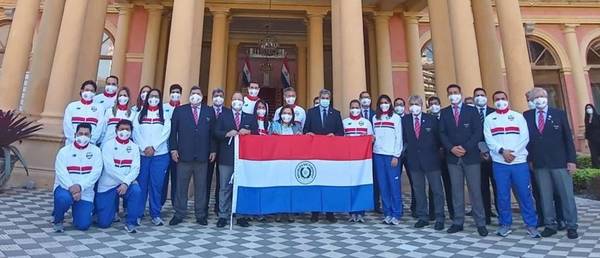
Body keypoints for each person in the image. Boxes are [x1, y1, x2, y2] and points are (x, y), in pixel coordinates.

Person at [484, 91, 540, 238]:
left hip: (519, 162)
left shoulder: (518, 117)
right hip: (499, 163)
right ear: (493, 101)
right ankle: (505, 224)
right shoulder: (489, 119)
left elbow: (525, 137)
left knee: (524, 194)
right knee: (502, 196)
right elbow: (489, 139)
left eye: (503, 99)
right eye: (497, 99)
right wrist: (502, 151)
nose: (500, 101)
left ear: (507, 100)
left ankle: (531, 225)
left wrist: (513, 154)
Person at [524, 87, 579, 239]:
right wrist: (530, 160)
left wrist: (571, 160)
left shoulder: (559, 114)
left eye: (543, 96)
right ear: (532, 100)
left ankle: (571, 225)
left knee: (566, 195)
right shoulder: (527, 115)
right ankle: (550, 224)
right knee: (545, 195)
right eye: (537, 97)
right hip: (540, 163)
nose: (540, 99)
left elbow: (568, 139)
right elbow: (527, 140)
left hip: (560, 162)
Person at [439, 84, 488, 236]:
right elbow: (442, 133)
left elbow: (477, 132)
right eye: (450, 93)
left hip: (471, 156)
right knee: (456, 190)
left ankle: (480, 222)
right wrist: (451, 148)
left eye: (455, 92)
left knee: (475, 190)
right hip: (453, 157)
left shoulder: (472, 111)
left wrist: (466, 147)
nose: (453, 95)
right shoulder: (444, 112)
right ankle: (458, 221)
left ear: (460, 93)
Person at [168, 86, 217, 226]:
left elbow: (212, 134)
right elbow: (173, 132)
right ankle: (179, 213)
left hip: (202, 156)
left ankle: (200, 214)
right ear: (189, 96)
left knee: (201, 187)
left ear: (202, 96)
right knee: (181, 186)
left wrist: (213, 150)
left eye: (198, 93)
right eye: (193, 93)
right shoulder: (180, 110)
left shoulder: (209, 111)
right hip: (184, 155)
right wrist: (173, 149)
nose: (195, 96)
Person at [214, 92, 258, 228]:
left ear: (243, 102)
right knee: (225, 188)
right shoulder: (223, 115)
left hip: (244, 159)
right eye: (234, 99)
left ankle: (241, 215)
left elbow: (256, 135)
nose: (237, 101)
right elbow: (216, 132)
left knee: (241, 187)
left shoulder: (250, 118)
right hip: (226, 158)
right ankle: (223, 215)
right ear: (231, 101)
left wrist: (249, 133)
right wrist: (227, 134)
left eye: (239, 99)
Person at [402, 95, 445, 230]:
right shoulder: (405, 120)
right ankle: (423, 217)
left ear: (422, 105)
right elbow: (403, 139)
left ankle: (439, 217)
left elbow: (439, 139)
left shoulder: (431, 119)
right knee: (419, 190)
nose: (414, 106)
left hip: (431, 160)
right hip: (414, 161)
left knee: (437, 190)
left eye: (417, 103)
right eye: (412, 104)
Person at [52, 123, 102, 232]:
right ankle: (58, 219)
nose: (83, 136)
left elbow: (96, 173)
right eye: (80, 133)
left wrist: (80, 187)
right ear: (75, 134)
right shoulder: (64, 151)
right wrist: (72, 188)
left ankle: (78, 213)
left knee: (83, 225)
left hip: (85, 191)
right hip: (65, 188)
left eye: (86, 134)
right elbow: (61, 172)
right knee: (63, 199)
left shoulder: (96, 151)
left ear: (90, 136)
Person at [303, 89, 344, 223]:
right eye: (323, 97)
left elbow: (341, 133)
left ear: (330, 99)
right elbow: (305, 131)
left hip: (330, 156)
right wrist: (309, 135)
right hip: (314, 154)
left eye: (327, 98)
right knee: (315, 182)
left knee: (329, 183)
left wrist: (334, 136)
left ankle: (330, 212)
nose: (325, 100)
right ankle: (315, 212)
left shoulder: (336, 114)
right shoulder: (311, 112)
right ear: (319, 99)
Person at [132, 88, 171, 226]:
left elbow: (165, 133)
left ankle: (155, 213)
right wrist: (144, 147)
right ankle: (138, 213)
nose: (153, 98)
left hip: (159, 155)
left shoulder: (164, 115)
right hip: (142, 155)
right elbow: (135, 132)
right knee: (141, 185)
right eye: (151, 96)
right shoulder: (139, 115)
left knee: (156, 185)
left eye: (156, 96)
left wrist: (154, 147)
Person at [95, 120, 142, 233]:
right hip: (108, 184)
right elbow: (109, 168)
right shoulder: (108, 145)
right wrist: (125, 181)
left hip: (126, 184)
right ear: (116, 130)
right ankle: (106, 211)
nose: (124, 132)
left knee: (136, 190)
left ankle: (131, 222)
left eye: (128, 129)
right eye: (121, 129)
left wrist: (126, 183)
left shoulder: (134, 147)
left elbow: (135, 168)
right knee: (104, 223)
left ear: (131, 131)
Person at [371, 94, 403, 225]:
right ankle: (387, 213)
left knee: (394, 186)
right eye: (382, 102)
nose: (384, 104)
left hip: (391, 156)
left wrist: (396, 155)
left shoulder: (395, 118)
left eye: (386, 102)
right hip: (378, 154)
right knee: (383, 186)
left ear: (390, 104)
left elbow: (399, 137)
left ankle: (396, 213)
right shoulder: (375, 118)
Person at [343, 99, 373, 223]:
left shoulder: (366, 123)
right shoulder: (345, 122)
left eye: (356, 107)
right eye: (352, 107)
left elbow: (371, 139)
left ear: (360, 108)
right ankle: (352, 212)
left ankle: (361, 212)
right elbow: (342, 139)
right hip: (349, 160)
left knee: (362, 184)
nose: (354, 109)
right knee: (350, 185)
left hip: (363, 160)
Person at [473, 87, 498, 225]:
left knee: (498, 187)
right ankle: (486, 215)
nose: (479, 97)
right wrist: (481, 150)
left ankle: (501, 214)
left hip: (495, 156)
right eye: (477, 95)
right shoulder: (470, 113)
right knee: (482, 187)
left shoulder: (494, 112)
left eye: (482, 95)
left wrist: (491, 151)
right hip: (477, 156)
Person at [427, 96, 453, 220]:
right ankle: (433, 212)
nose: (434, 105)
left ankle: (452, 212)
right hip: (432, 156)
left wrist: (445, 148)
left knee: (449, 185)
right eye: (431, 104)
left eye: (436, 103)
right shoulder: (427, 119)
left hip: (447, 156)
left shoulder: (446, 117)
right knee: (433, 187)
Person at [63, 80, 105, 145]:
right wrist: (76, 140)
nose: (89, 92)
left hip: (91, 145)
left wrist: (90, 140)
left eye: (92, 91)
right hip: (72, 144)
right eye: (87, 90)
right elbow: (67, 125)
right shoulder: (72, 106)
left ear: (95, 93)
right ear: (82, 91)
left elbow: (100, 126)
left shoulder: (99, 108)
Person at [359, 91, 380, 213]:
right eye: (363, 98)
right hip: (359, 154)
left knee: (375, 178)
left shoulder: (375, 114)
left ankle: (375, 204)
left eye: (367, 97)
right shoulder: (355, 114)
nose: (365, 100)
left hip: (374, 151)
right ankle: (361, 204)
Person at [161, 84, 182, 207]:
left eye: (178, 92)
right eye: (173, 91)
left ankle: (176, 204)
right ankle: (160, 203)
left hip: (178, 149)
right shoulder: (163, 108)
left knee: (177, 178)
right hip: (164, 148)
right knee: (163, 178)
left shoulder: (184, 109)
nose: (175, 94)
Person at [206, 88, 226, 216]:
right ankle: (204, 206)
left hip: (224, 150)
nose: (218, 98)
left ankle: (219, 206)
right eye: (216, 95)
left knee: (221, 180)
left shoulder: (227, 112)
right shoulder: (206, 111)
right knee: (206, 179)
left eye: (220, 95)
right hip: (208, 150)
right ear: (212, 97)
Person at [585, 104, 600, 168]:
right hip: (591, 140)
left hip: (598, 137)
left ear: (592, 108)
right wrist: (586, 140)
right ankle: (596, 168)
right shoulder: (586, 119)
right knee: (594, 155)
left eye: (590, 107)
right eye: (587, 108)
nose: (588, 109)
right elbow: (586, 130)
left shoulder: (598, 117)